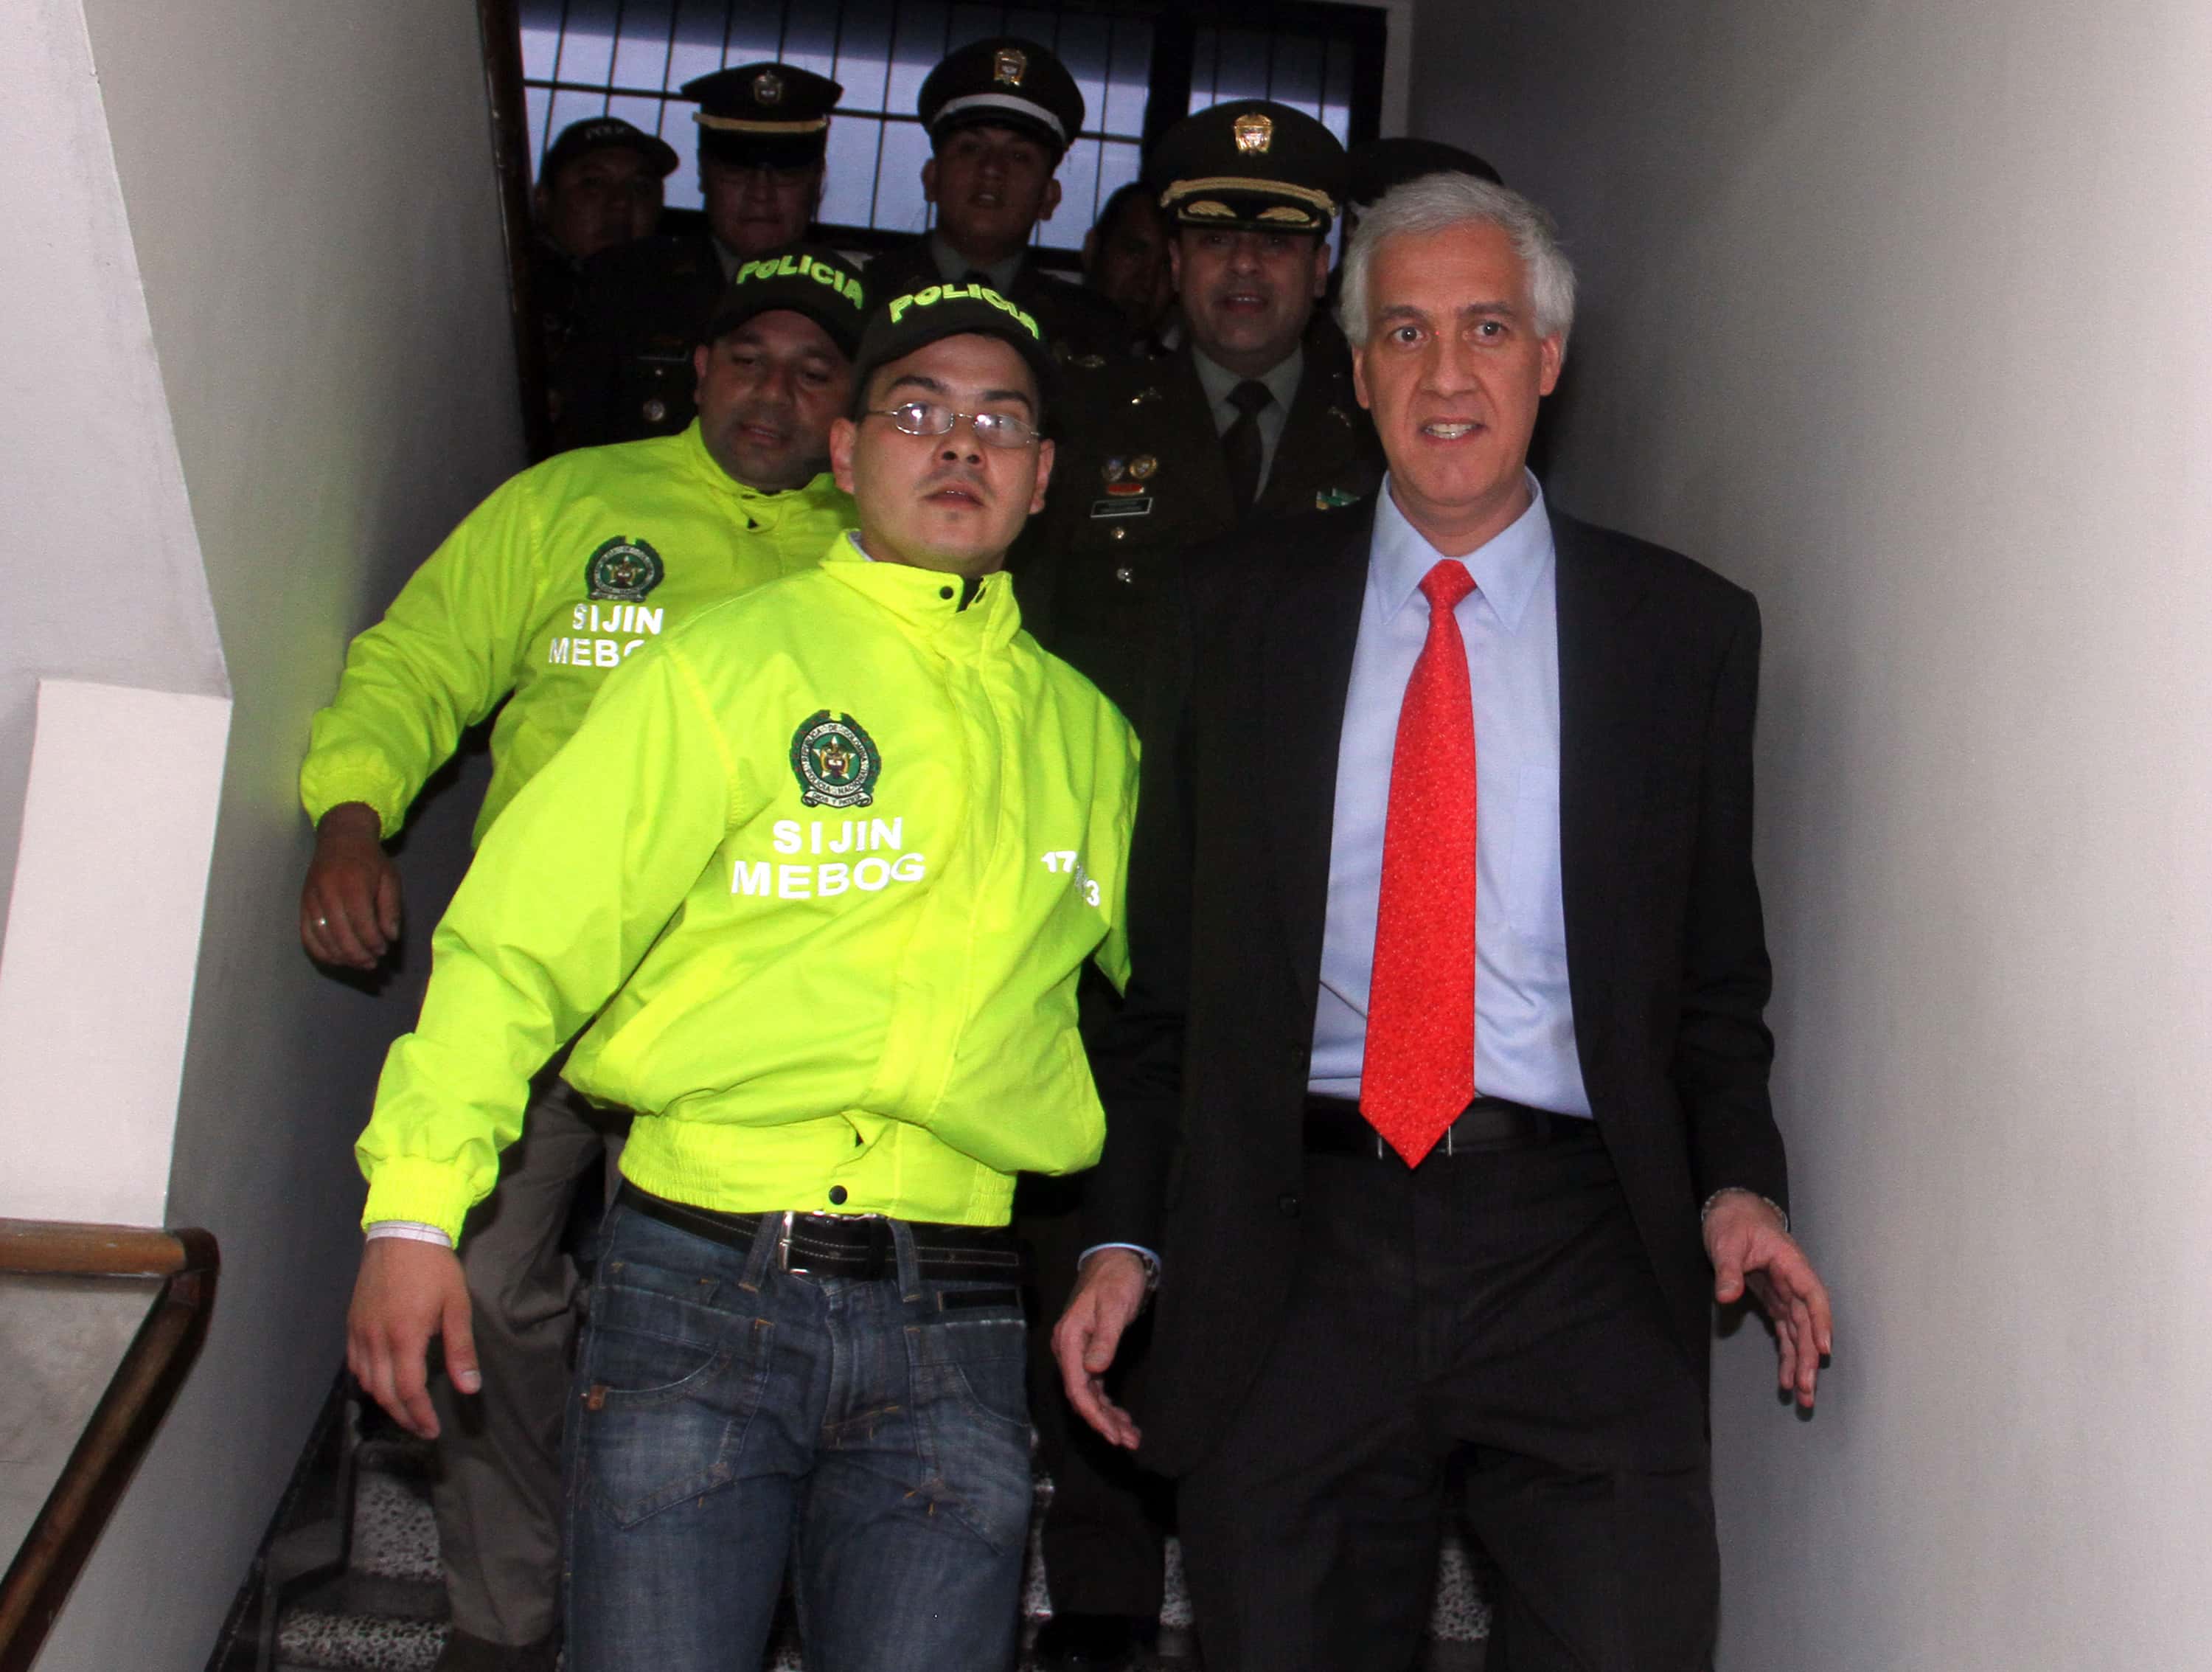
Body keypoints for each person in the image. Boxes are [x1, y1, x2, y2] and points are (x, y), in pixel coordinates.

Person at [1052, 173, 1835, 1671]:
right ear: (1356, 373)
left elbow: (1713, 982)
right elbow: (1170, 991)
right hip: (1297, 1240)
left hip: (1582, 1246)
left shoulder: (1681, 632)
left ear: (1551, 357)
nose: (1447, 373)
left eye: (1487, 327)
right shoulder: (1231, 614)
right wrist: (1128, 1233)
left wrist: (1741, 1185)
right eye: (1404, 333)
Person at [342, 281, 1138, 1672]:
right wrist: (414, 1209)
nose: (962, 443)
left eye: (999, 421)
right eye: (918, 413)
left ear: (1042, 473)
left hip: (958, 1307)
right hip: (701, 1278)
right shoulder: (719, 667)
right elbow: (521, 939)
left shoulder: (1090, 737)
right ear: (848, 453)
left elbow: (1144, 1027)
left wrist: (1128, 1241)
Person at [300, 244, 867, 1672]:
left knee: (720, 1324)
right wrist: (352, 813)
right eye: (751, 359)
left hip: (745, 1018)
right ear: (701, 369)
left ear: (852, 409)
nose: (774, 393)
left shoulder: (872, 560)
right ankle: (511, 1609)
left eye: (814, 371)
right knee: (485, 1284)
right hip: (545, 991)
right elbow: (419, 659)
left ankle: (689, 1588)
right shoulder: (570, 501)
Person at [1024, 99, 1385, 720]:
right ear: (1176, 263)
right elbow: (1030, 639)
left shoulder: (1374, 436)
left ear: (1320, 270)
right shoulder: (1085, 420)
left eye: (1276, 241)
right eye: (1216, 238)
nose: (1244, 264)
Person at [554, 64, 841, 449]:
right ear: (704, 174)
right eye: (737, 170)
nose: (761, 193)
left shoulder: (850, 302)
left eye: (786, 172)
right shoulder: (623, 283)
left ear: (817, 180)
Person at [866, 38, 1128, 370]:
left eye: (1019, 157)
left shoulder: (1092, 328)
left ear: (1049, 198)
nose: (992, 169)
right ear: (931, 179)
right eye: (970, 148)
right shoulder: (866, 296)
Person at [530, 116, 677, 392]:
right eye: (593, 183)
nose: (621, 202)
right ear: (544, 200)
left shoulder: (681, 301)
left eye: (640, 187)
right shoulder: (512, 294)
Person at [1081, 180, 1177, 353]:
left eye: (1166, 267)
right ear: (1092, 248)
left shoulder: (1179, 369)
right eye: (1134, 253)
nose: (1148, 282)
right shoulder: (1039, 350)